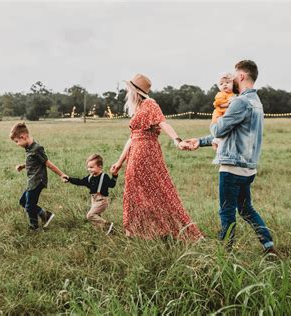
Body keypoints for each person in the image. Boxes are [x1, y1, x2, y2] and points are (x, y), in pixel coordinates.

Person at [184, 60, 275, 254]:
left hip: (232, 167)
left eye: (234, 75)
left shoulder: (240, 102)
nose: (232, 79)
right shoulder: (256, 102)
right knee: (246, 209)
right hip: (248, 167)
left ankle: (224, 253)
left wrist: (215, 117)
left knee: (226, 212)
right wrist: (200, 142)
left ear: (241, 76)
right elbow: (232, 134)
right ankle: (269, 245)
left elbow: (219, 129)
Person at [110, 74, 202, 240]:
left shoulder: (149, 104)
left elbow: (163, 122)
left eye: (129, 89)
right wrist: (119, 162)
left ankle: (168, 230)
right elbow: (132, 137)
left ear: (136, 91)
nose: (126, 92)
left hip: (146, 153)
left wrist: (177, 140)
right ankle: (137, 231)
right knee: (134, 193)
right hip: (135, 153)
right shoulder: (138, 108)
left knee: (158, 191)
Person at [10, 122, 67, 231]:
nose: (17, 144)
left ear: (23, 137)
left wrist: (62, 174)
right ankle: (45, 215)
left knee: (29, 206)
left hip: (37, 181)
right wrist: (22, 166)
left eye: (17, 141)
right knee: (23, 202)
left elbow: (47, 163)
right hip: (31, 181)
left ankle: (34, 227)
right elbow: (34, 163)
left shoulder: (37, 148)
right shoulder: (29, 148)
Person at [64, 154, 117, 234]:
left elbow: (112, 184)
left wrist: (114, 175)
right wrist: (69, 179)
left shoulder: (104, 177)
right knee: (96, 218)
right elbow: (80, 181)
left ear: (99, 167)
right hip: (94, 200)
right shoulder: (90, 177)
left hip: (102, 200)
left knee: (90, 215)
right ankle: (104, 231)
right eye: (88, 167)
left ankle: (108, 225)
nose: (89, 169)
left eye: (91, 167)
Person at [212, 73, 236, 150]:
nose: (224, 85)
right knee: (222, 130)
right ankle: (216, 141)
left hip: (224, 118)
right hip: (218, 117)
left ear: (233, 84)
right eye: (221, 84)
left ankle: (217, 141)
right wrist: (230, 103)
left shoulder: (233, 94)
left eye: (227, 82)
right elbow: (220, 104)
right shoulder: (220, 94)